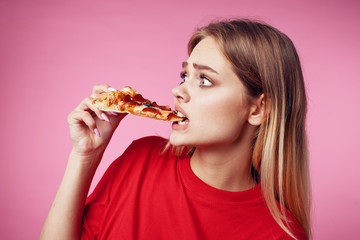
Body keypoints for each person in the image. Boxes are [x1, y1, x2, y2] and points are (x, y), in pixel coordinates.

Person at [41, 19, 311, 240]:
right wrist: (84, 157)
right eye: (185, 75)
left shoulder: (280, 234)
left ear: (258, 110)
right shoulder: (141, 160)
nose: (177, 91)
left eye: (204, 80)